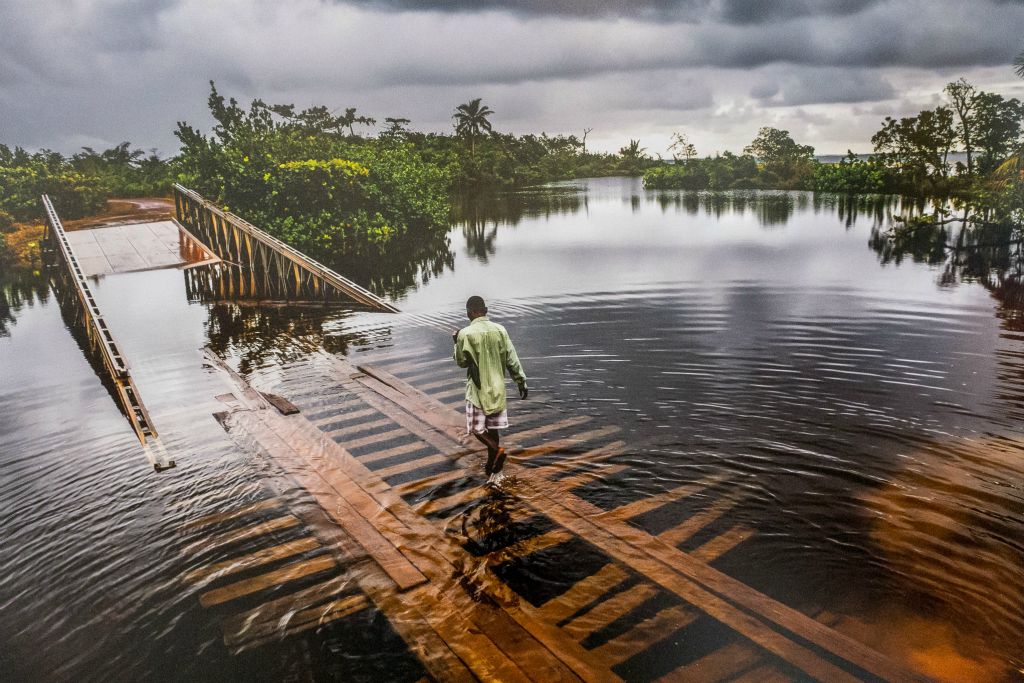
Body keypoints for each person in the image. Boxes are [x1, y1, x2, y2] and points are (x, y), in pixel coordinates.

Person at [453, 296, 528, 486]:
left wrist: (456, 342)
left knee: (477, 430)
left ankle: (497, 451)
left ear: (469, 313)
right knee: (493, 430)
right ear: (485, 310)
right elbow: (511, 358)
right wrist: (521, 381)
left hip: (478, 391)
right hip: (497, 389)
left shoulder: (465, 334)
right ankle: (495, 469)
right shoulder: (500, 330)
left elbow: (462, 362)